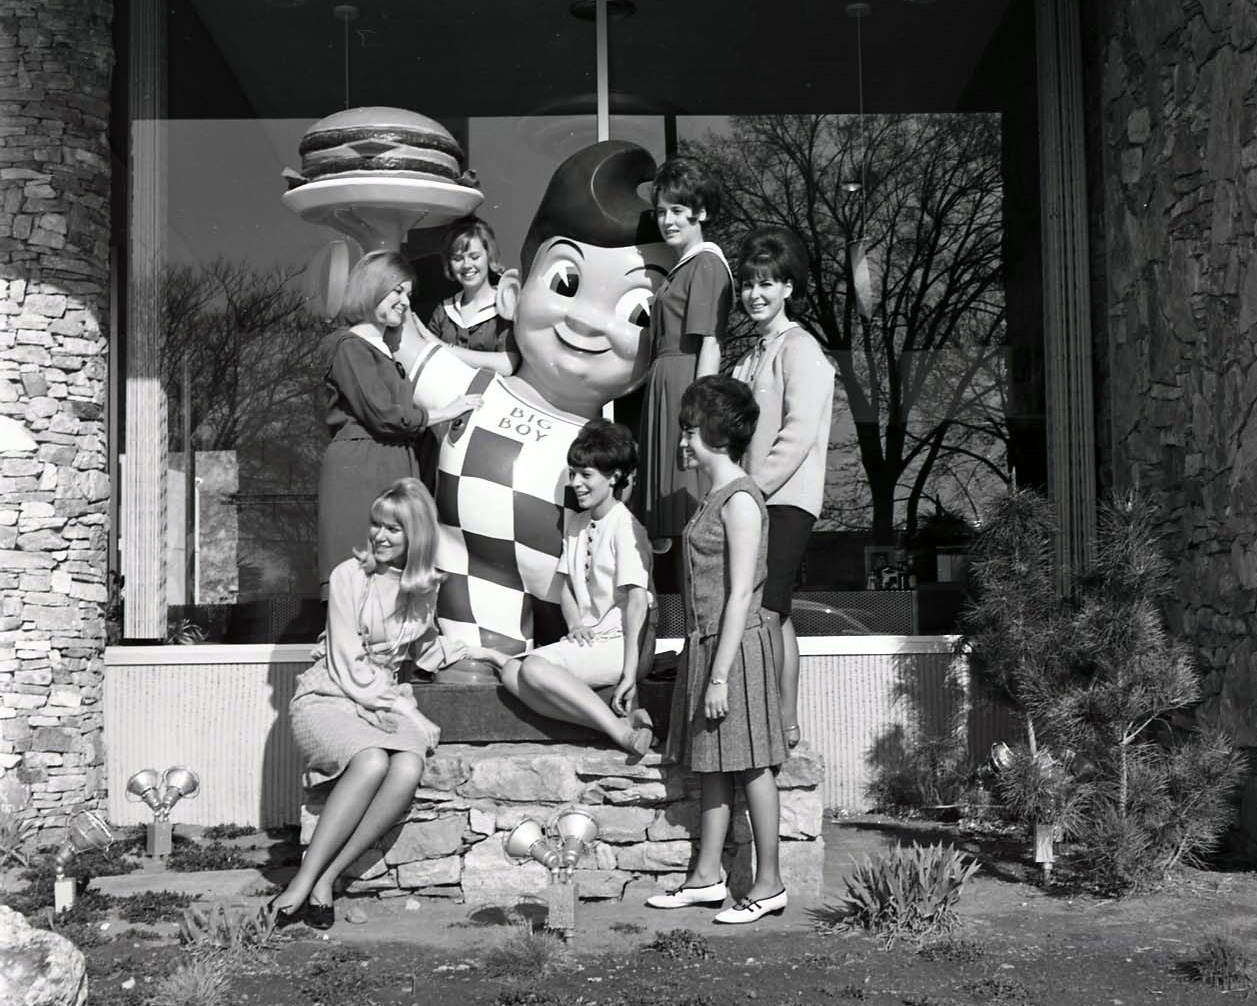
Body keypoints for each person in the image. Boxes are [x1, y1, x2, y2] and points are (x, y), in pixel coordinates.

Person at [403, 140, 671, 655]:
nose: (588, 320)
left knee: (604, 640)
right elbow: (399, 345)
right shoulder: (476, 390)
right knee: (479, 664)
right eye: (567, 282)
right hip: (478, 583)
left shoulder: (615, 450)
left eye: (638, 311)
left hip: (592, 604)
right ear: (512, 293)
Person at [274, 478, 499, 929]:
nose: (379, 536)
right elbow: (349, 662)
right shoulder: (347, 577)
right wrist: (410, 711)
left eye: (393, 529)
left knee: (408, 767)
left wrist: (487, 654)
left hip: (383, 701)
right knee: (373, 762)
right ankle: (300, 883)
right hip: (330, 694)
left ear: (416, 537)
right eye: (376, 524)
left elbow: (424, 648)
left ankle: (327, 879)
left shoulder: (423, 587)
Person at [648, 376, 788, 925]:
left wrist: (721, 676)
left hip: (737, 652)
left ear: (711, 433)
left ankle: (770, 883)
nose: (683, 442)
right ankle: (707, 876)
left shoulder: (742, 500)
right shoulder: (713, 496)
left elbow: (740, 595)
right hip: (707, 646)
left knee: (753, 765)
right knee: (713, 764)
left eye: (688, 430)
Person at [317, 249, 483, 595]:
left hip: (389, 464)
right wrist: (444, 412)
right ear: (372, 287)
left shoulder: (380, 350)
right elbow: (384, 414)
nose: (405, 302)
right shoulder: (349, 346)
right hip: (363, 469)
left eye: (407, 294)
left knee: (394, 584)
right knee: (359, 583)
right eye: (397, 291)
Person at [487, 419, 656, 757]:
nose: (576, 483)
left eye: (586, 475)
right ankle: (616, 727)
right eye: (573, 473)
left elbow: (638, 602)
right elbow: (566, 587)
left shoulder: (626, 526)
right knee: (511, 672)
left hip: (625, 644)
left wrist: (630, 672)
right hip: (591, 639)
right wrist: (576, 623)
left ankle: (620, 733)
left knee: (533, 669)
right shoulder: (577, 523)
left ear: (614, 477)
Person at [730, 226, 835, 750]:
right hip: (754, 501)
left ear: (788, 287)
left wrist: (749, 488)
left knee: (769, 609)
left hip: (786, 501)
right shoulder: (749, 357)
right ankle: (785, 722)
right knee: (777, 612)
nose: (755, 294)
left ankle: (776, 721)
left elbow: (796, 436)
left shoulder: (801, 349)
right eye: (748, 284)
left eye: (767, 283)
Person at [637, 157, 733, 581]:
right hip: (665, 389)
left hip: (684, 390)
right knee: (665, 526)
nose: (667, 221)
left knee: (688, 520)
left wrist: (695, 425)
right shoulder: (682, 268)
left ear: (701, 212)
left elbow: (710, 344)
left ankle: (701, 638)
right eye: (661, 212)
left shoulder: (707, 265)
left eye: (677, 210)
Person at [426, 216, 518, 376]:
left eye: (474, 257)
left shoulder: (506, 306)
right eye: (457, 258)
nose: (467, 265)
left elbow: (507, 364)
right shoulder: (443, 311)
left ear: (489, 256)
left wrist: (442, 347)